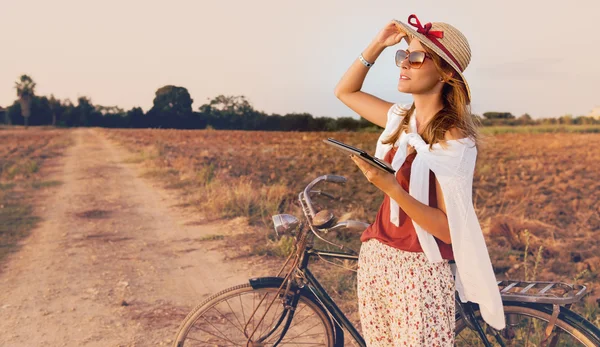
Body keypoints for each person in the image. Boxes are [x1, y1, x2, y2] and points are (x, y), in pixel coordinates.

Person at [334, 14, 484, 346]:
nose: (405, 64)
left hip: (421, 270)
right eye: (403, 56)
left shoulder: (453, 138)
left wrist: (390, 186)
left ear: (445, 73)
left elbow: (448, 229)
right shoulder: (401, 118)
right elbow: (345, 90)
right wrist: (378, 43)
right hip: (377, 258)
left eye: (417, 58)